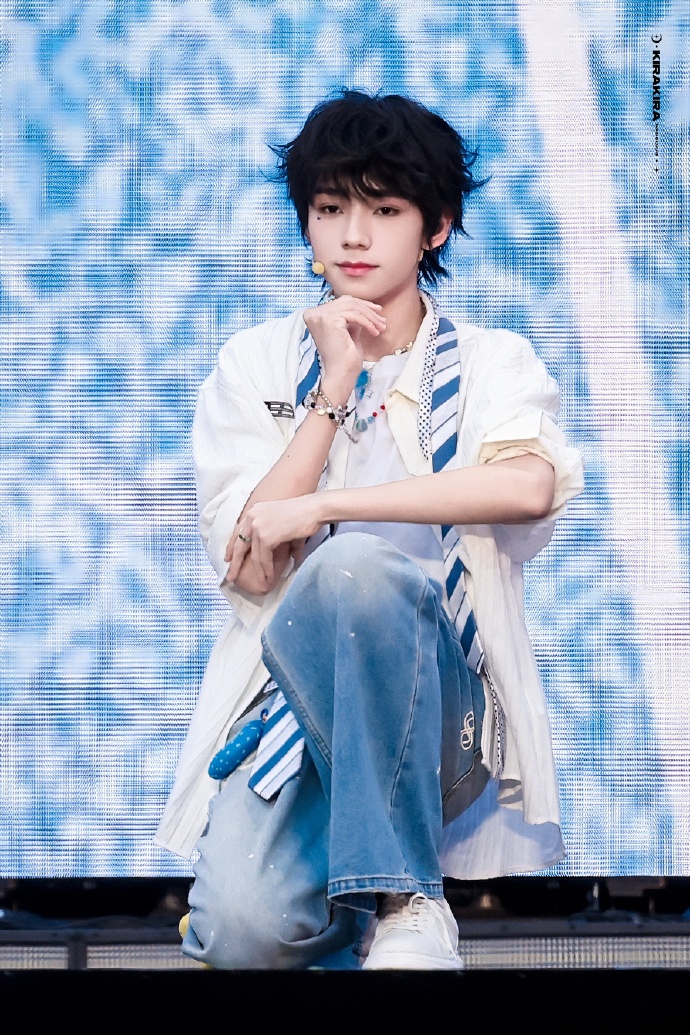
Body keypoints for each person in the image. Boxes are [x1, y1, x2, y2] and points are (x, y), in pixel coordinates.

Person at [154, 88, 584, 970]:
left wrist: (324, 509)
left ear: (435, 228)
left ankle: (406, 893)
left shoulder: (492, 360)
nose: (353, 235)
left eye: (384, 211)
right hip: (298, 709)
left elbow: (530, 485)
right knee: (245, 933)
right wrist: (333, 389)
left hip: (446, 714)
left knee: (354, 565)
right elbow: (252, 564)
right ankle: (361, 916)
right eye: (329, 209)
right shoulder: (254, 362)